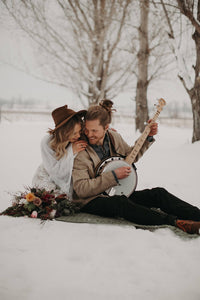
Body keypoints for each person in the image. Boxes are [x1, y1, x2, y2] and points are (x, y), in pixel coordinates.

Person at [72, 99, 200, 235]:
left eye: (94, 130)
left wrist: (148, 137)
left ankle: (196, 214)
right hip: (91, 200)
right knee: (120, 203)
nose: (89, 134)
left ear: (106, 127)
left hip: (114, 192)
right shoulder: (81, 150)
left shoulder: (113, 137)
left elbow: (131, 157)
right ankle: (176, 223)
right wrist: (114, 176)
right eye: (86, 129)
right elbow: (81, 189)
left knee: (158, 194)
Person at [32, 105, 87, 199]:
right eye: (74, 133)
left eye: (79, 131)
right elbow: (55, 172)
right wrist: (71, 151)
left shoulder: (77, 139)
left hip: (64, 176)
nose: (78, 135)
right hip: (47, 176)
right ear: (65, 131)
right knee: (53, 199)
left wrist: (108, 132)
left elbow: (94, 134)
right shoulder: (47, 142)